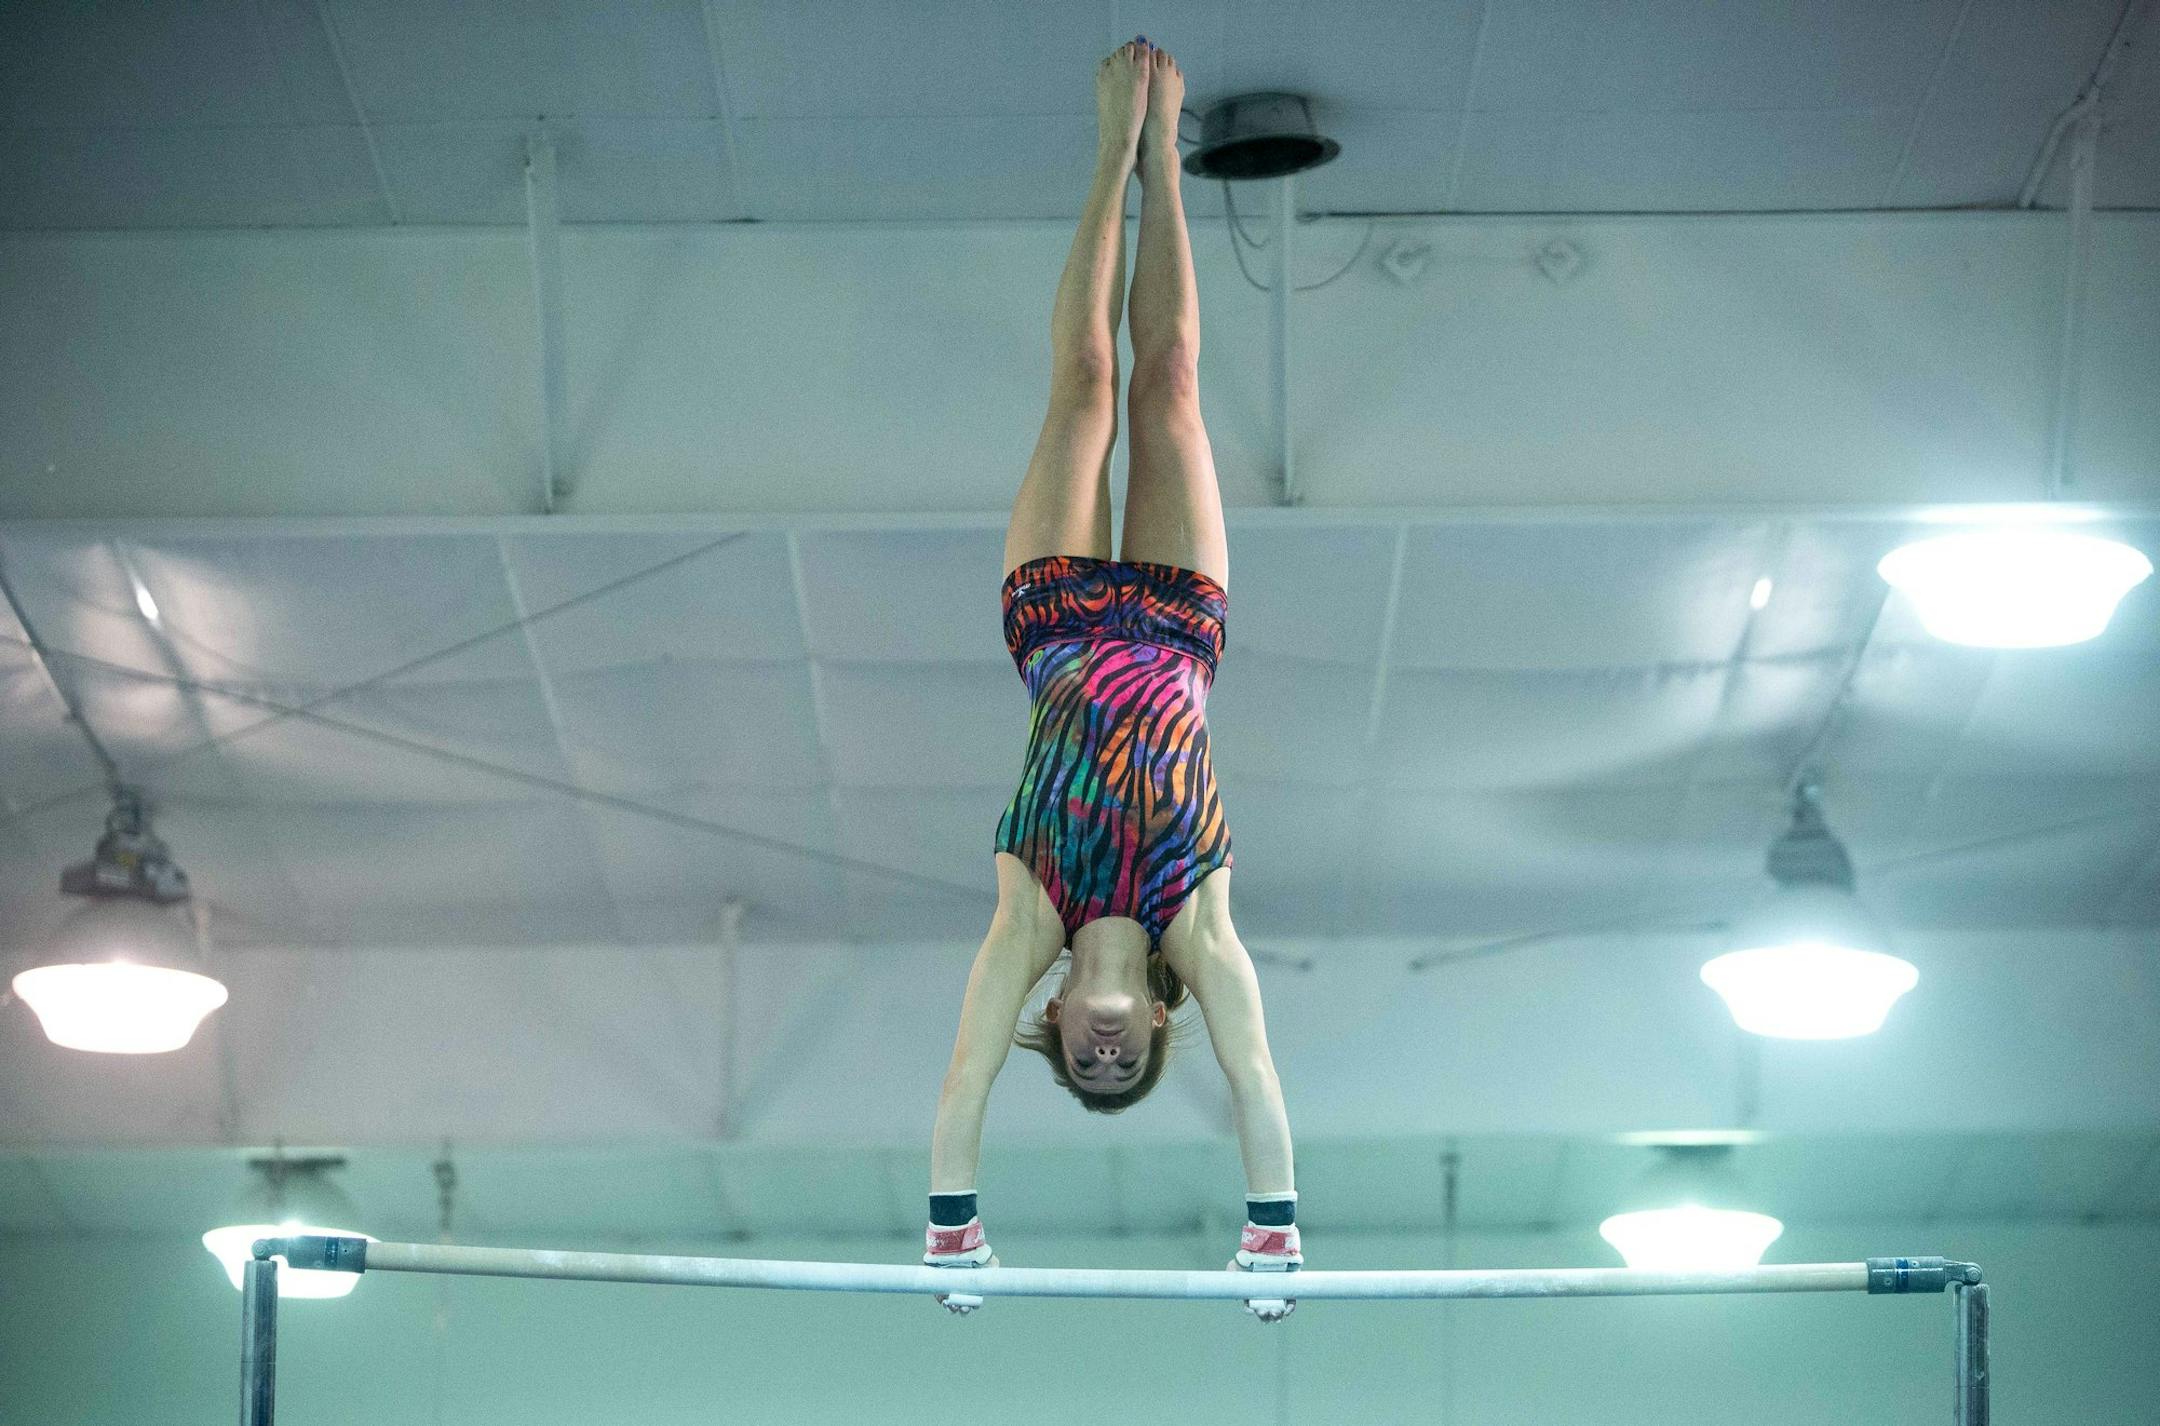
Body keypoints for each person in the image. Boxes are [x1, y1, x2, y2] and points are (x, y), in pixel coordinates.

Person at [922, 38, 1300, 1321]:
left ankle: (1105, 153)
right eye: (1118, 1068)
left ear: (1062, 1030)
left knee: (1086, 385)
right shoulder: (1203, 925)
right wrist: (1271, 1234)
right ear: (1147, 1028)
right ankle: (1164, 165)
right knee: (1175, 392)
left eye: (1077, 1070)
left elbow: (963, 1082)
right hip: (1182, 630)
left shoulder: (1025, 919)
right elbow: (1256, 1079)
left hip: (1061, 621)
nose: (1094, 1058)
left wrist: (956, 1229)